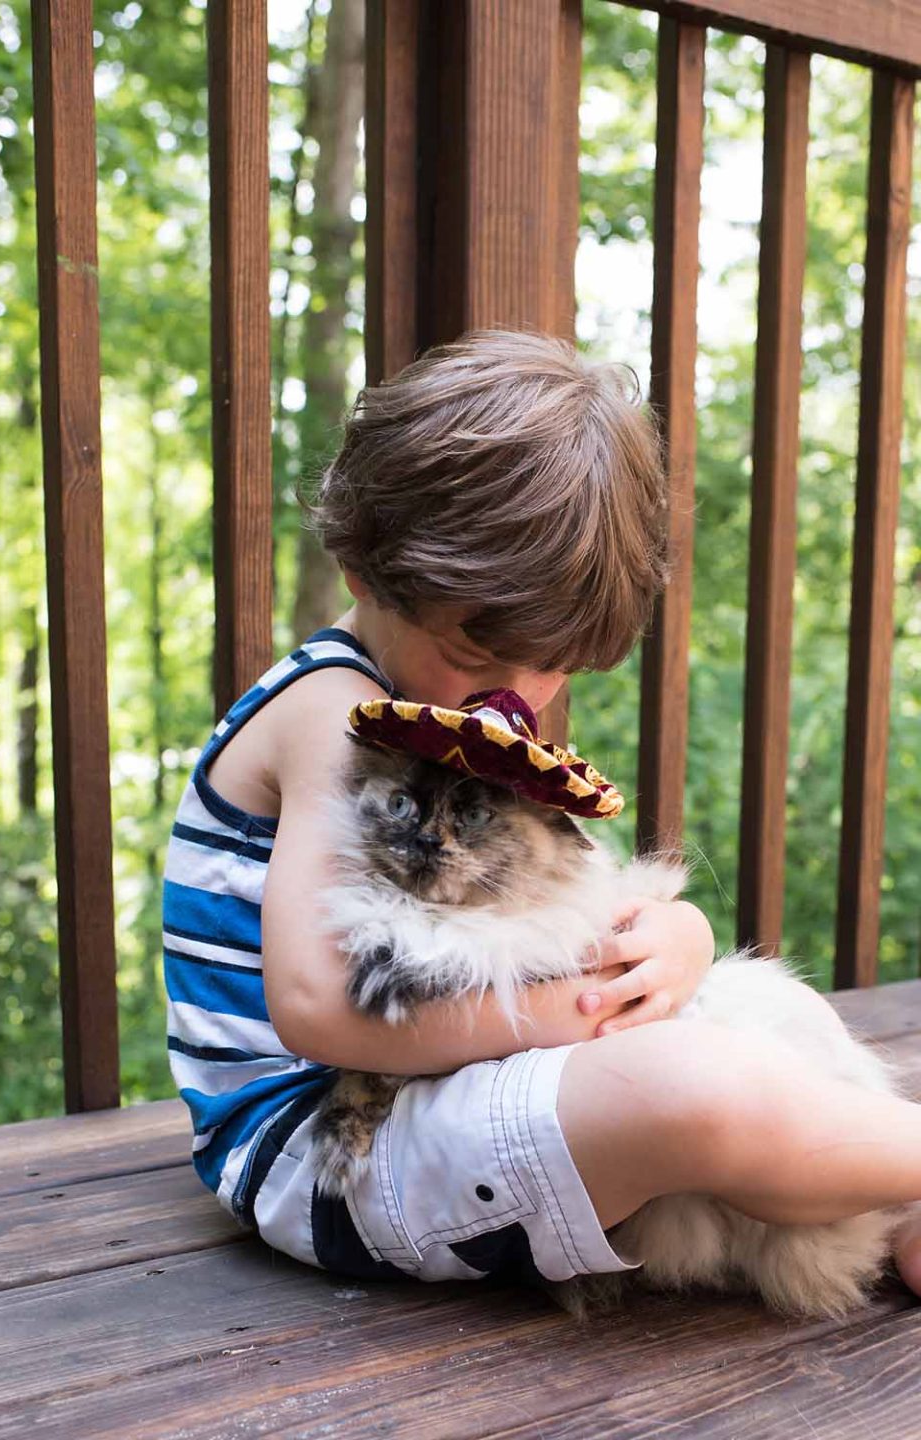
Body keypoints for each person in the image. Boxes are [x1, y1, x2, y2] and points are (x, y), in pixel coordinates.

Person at [163, 327, 921, 1295]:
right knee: (695, 1089)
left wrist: (674, 939)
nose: (517, 689)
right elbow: (319, 1012)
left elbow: (533, 918)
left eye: (553, 663)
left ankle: (892, 1199)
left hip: (432, 1098)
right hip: (324, 1150)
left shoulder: (434, 701)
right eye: (481, 661)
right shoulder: (331, 715)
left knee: (783, 1016)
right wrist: (596, 1014)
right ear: (365, 574)